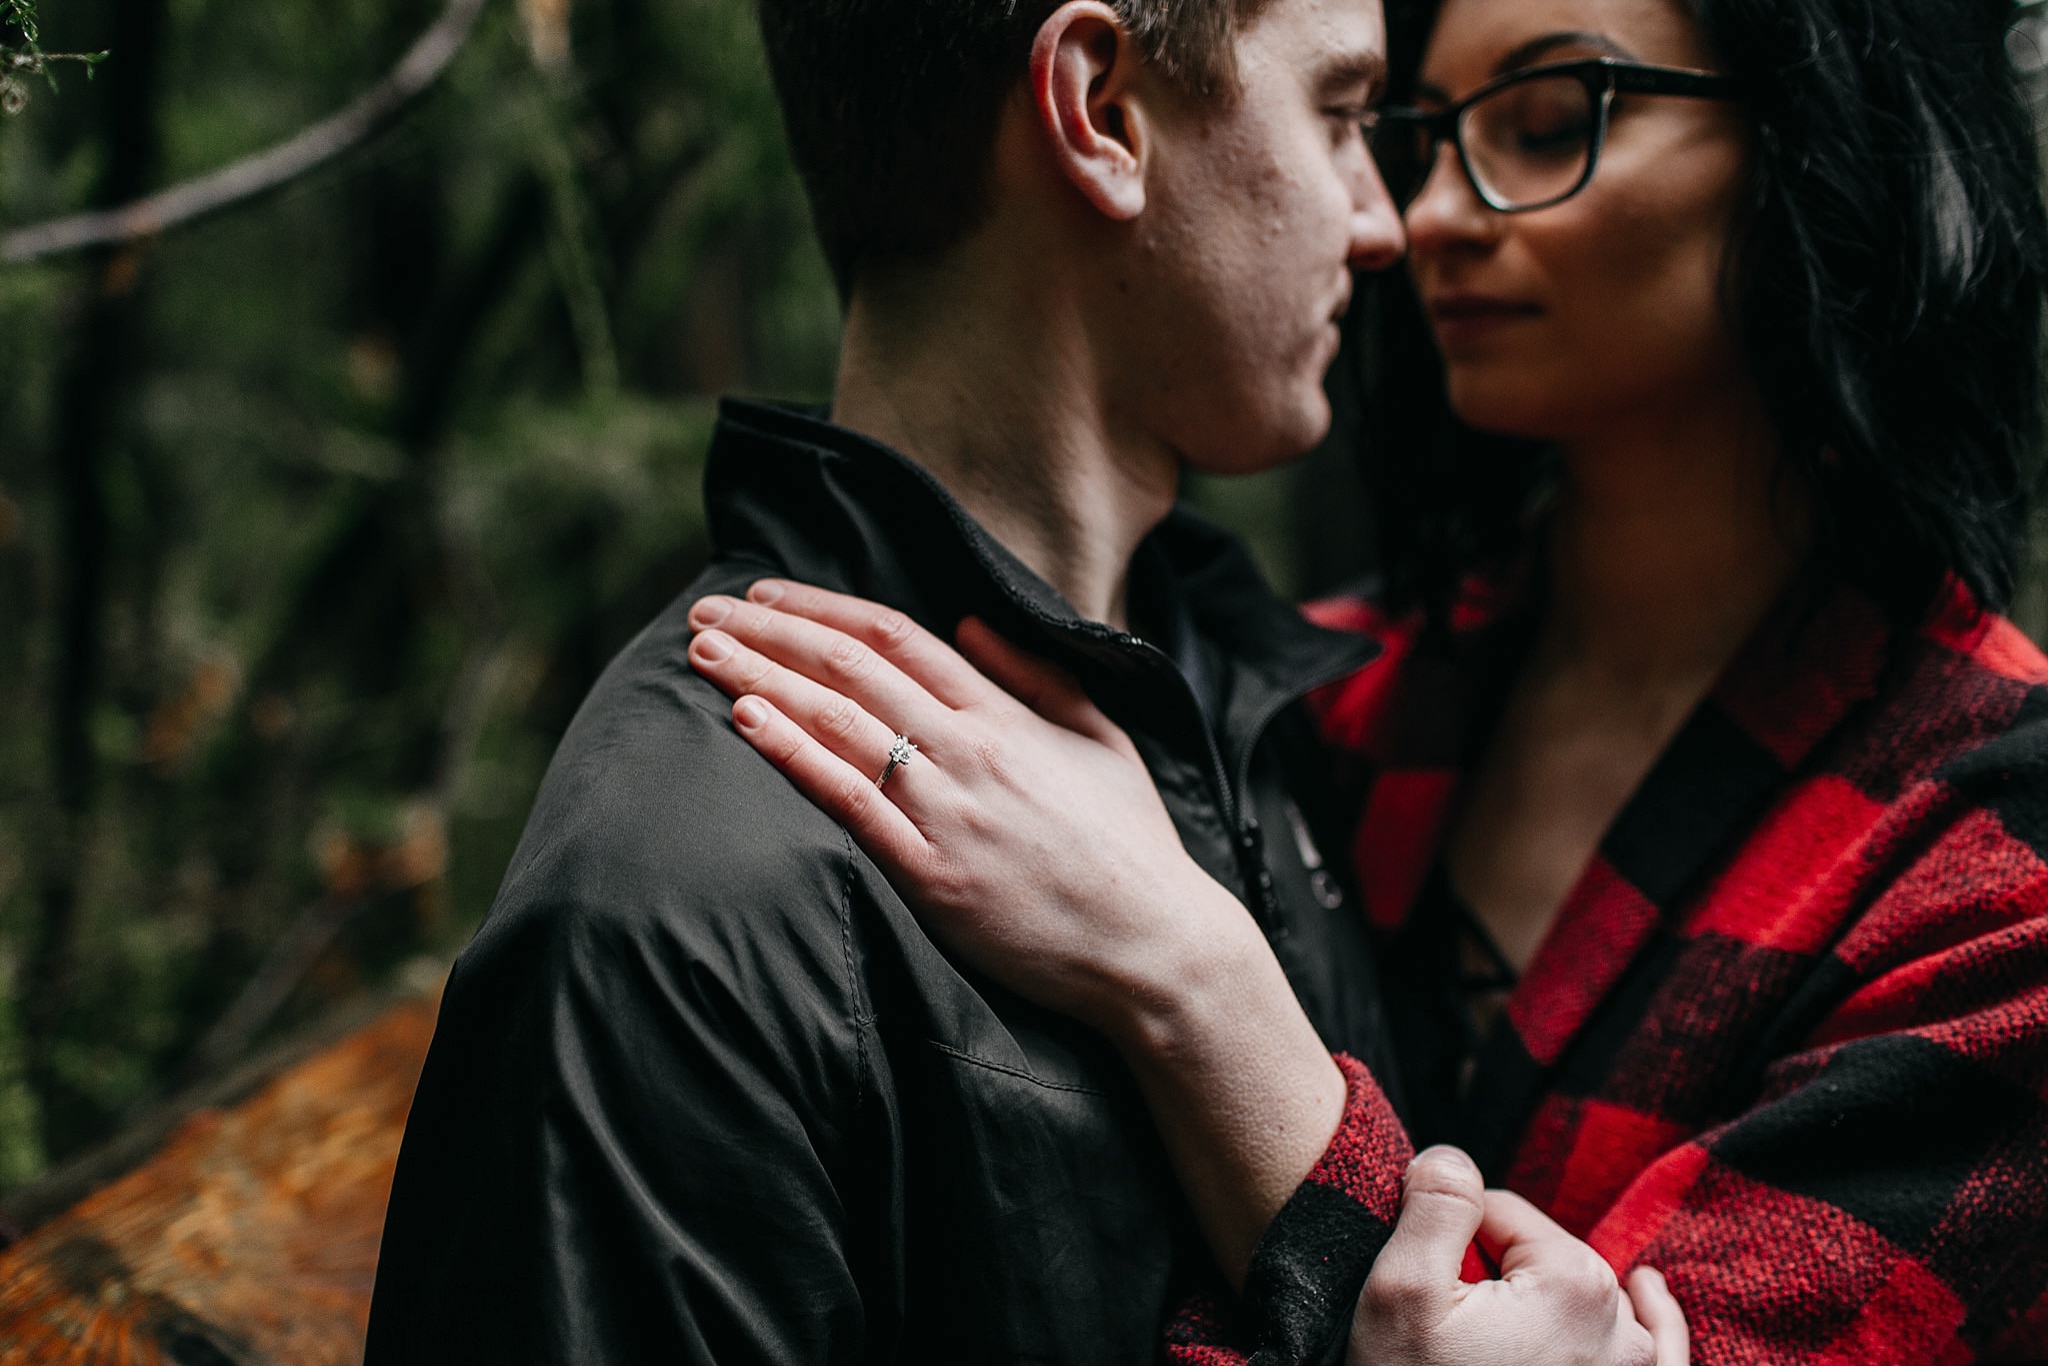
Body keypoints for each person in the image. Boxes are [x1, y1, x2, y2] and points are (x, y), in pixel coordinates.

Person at [683, 0, 2048, 1360]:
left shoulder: (1996, 851)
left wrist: (1195, 973)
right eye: (1414, 135)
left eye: (1549, 126)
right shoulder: (1311, 703)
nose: (1429, 215)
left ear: (1824, 145)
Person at [365, 0, 1664, 1360]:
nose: (1380, 219)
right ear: (1103, 115)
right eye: (1339, 114)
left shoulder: (1247, 714)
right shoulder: (673, 910)